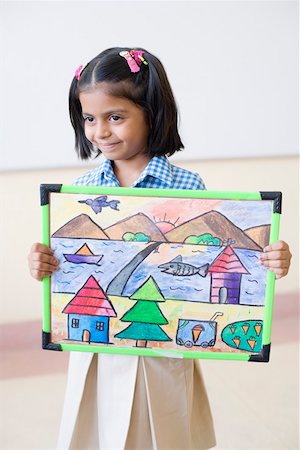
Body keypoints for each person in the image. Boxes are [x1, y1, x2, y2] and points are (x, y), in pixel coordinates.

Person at [28, 47, 292, 450]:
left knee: (164, 431)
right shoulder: (79, 193)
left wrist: (271, 259)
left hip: (165, 347)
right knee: (95, 429)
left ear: (152, 113)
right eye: (89, 118)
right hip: (98, 348)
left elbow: (234, 260)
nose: (100, 131)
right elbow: (67, 269)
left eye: (115, 117)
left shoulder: (190, 188)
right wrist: (44, 263)